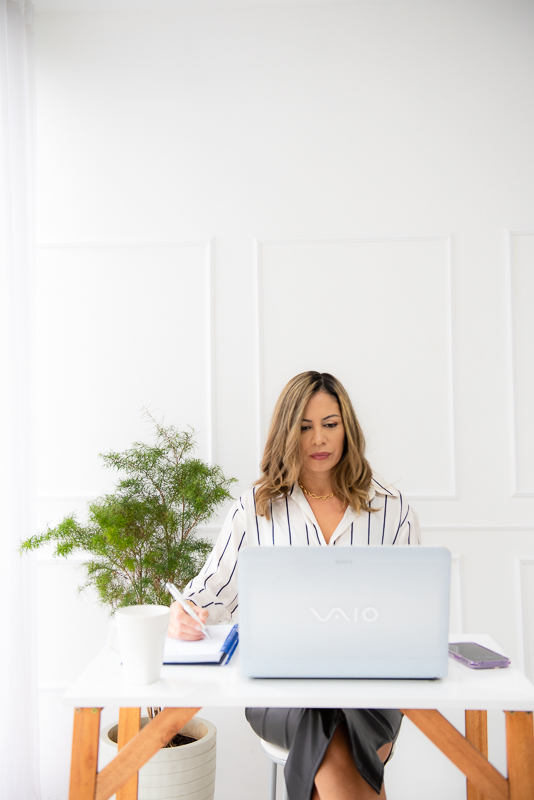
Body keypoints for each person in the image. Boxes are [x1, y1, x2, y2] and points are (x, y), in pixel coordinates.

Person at [168, 371, 421, 800]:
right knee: (327, 721)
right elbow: (208, 593)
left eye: (330, 424)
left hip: (371, 689)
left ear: (347, 428)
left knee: (330, 725)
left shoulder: (391, 509)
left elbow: (415, 610)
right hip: (279, 692)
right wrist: (183, 613)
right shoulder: (255, 509)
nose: (319, 439)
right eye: (304, 427)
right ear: (288, 432)